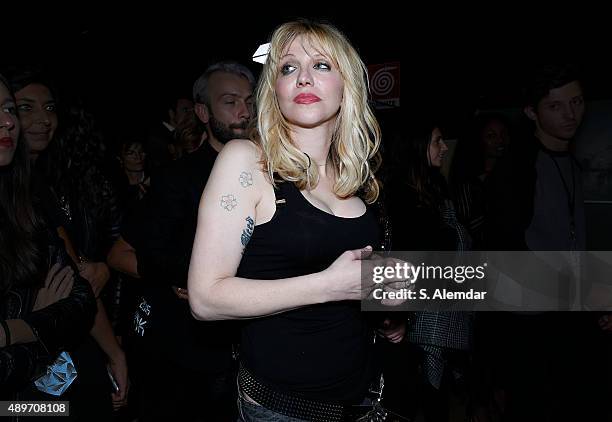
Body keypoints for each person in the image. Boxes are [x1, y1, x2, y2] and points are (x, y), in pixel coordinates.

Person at [188, 20, 403, 421]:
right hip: (283, 409)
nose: (303, 76)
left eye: (321, 65)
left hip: (365, 402)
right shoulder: (247, 161)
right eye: (288, 68)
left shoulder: (357, 176)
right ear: (276, 91)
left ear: (347, 85)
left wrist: (390, 307)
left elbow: (359, 274)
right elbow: (205, 299)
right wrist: (328, 285)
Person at [108, 61, 256, 422]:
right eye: (230, 101)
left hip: (258, 352)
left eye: (250, 101)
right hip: (194, 356)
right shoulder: (178, 178)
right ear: (203, 112)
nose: (244, 111)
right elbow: (129, 252)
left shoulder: (276, 172)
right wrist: (188, 275)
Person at [484, 65, 610, 422]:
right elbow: (505, 250)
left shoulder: (570, 162)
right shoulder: (518, 167)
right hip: (532, 323)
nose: (571, 114)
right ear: (532, 112)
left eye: (577, 102)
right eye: (556, 106)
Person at [10, 69, 127, 418]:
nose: (41, 120)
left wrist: (115, 353)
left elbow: (77, 278)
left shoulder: (37, 188)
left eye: (49, 108)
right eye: (23, 108)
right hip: (22, 368)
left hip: (63, 350)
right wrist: (33, 319)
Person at [0, 73, 96, 409]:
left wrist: (15, 328)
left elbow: (81, 301)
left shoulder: (23, 197)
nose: (8, 121)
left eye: (10, 109)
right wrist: (40, 326)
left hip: (41, 394)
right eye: (24, 107)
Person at [386, 120, 473, 422]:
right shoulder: (398, 196)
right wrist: (394, 318)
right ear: (417, 146)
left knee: (436, 399)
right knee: (414, 402)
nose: (445, 147)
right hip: (412, 323)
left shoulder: (435, 189)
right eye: (437, 141)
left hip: (439, 316)